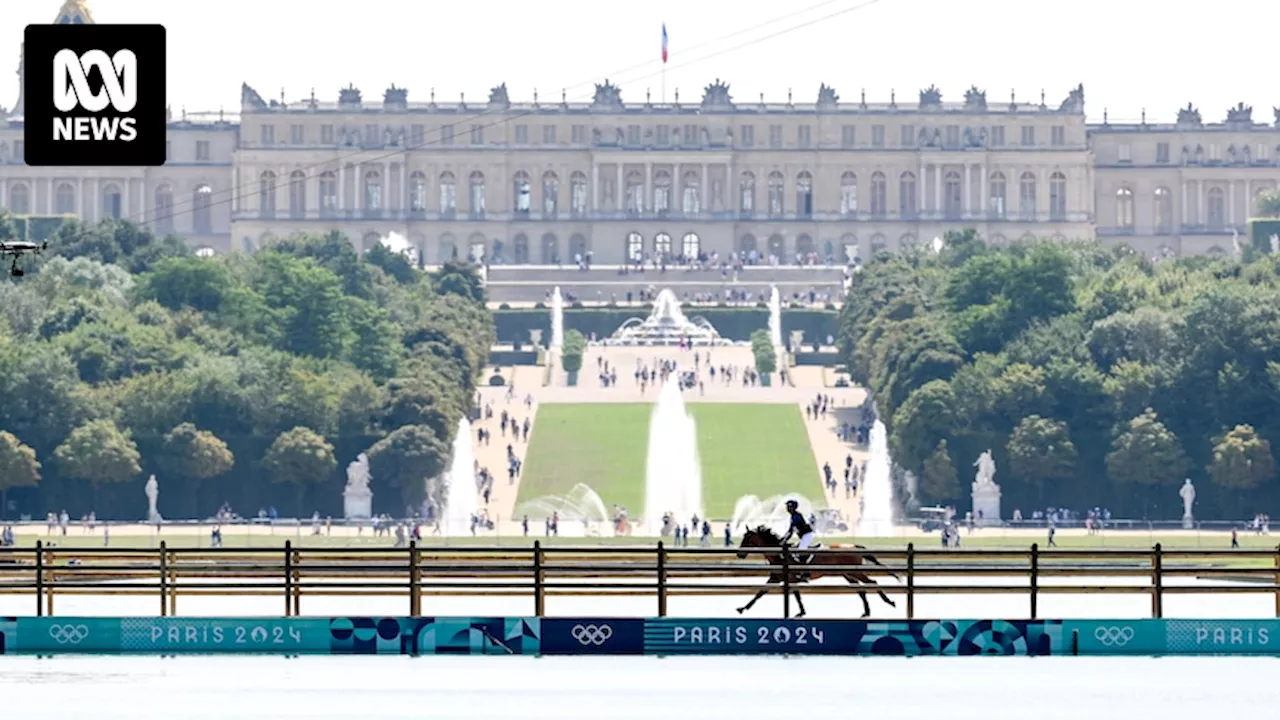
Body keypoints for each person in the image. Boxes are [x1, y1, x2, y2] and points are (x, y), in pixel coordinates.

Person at [780, 499, 816, 566]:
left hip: (807, 535)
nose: (787, 508)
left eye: (788, 506)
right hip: (804, 536)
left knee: (800, 551)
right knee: (796, 549)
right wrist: (784, 539)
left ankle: (804, 569)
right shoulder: (794, 516)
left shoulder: (796, 517)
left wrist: (784, 540)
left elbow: (790, 531)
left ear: (792, 507)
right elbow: (790, 531)